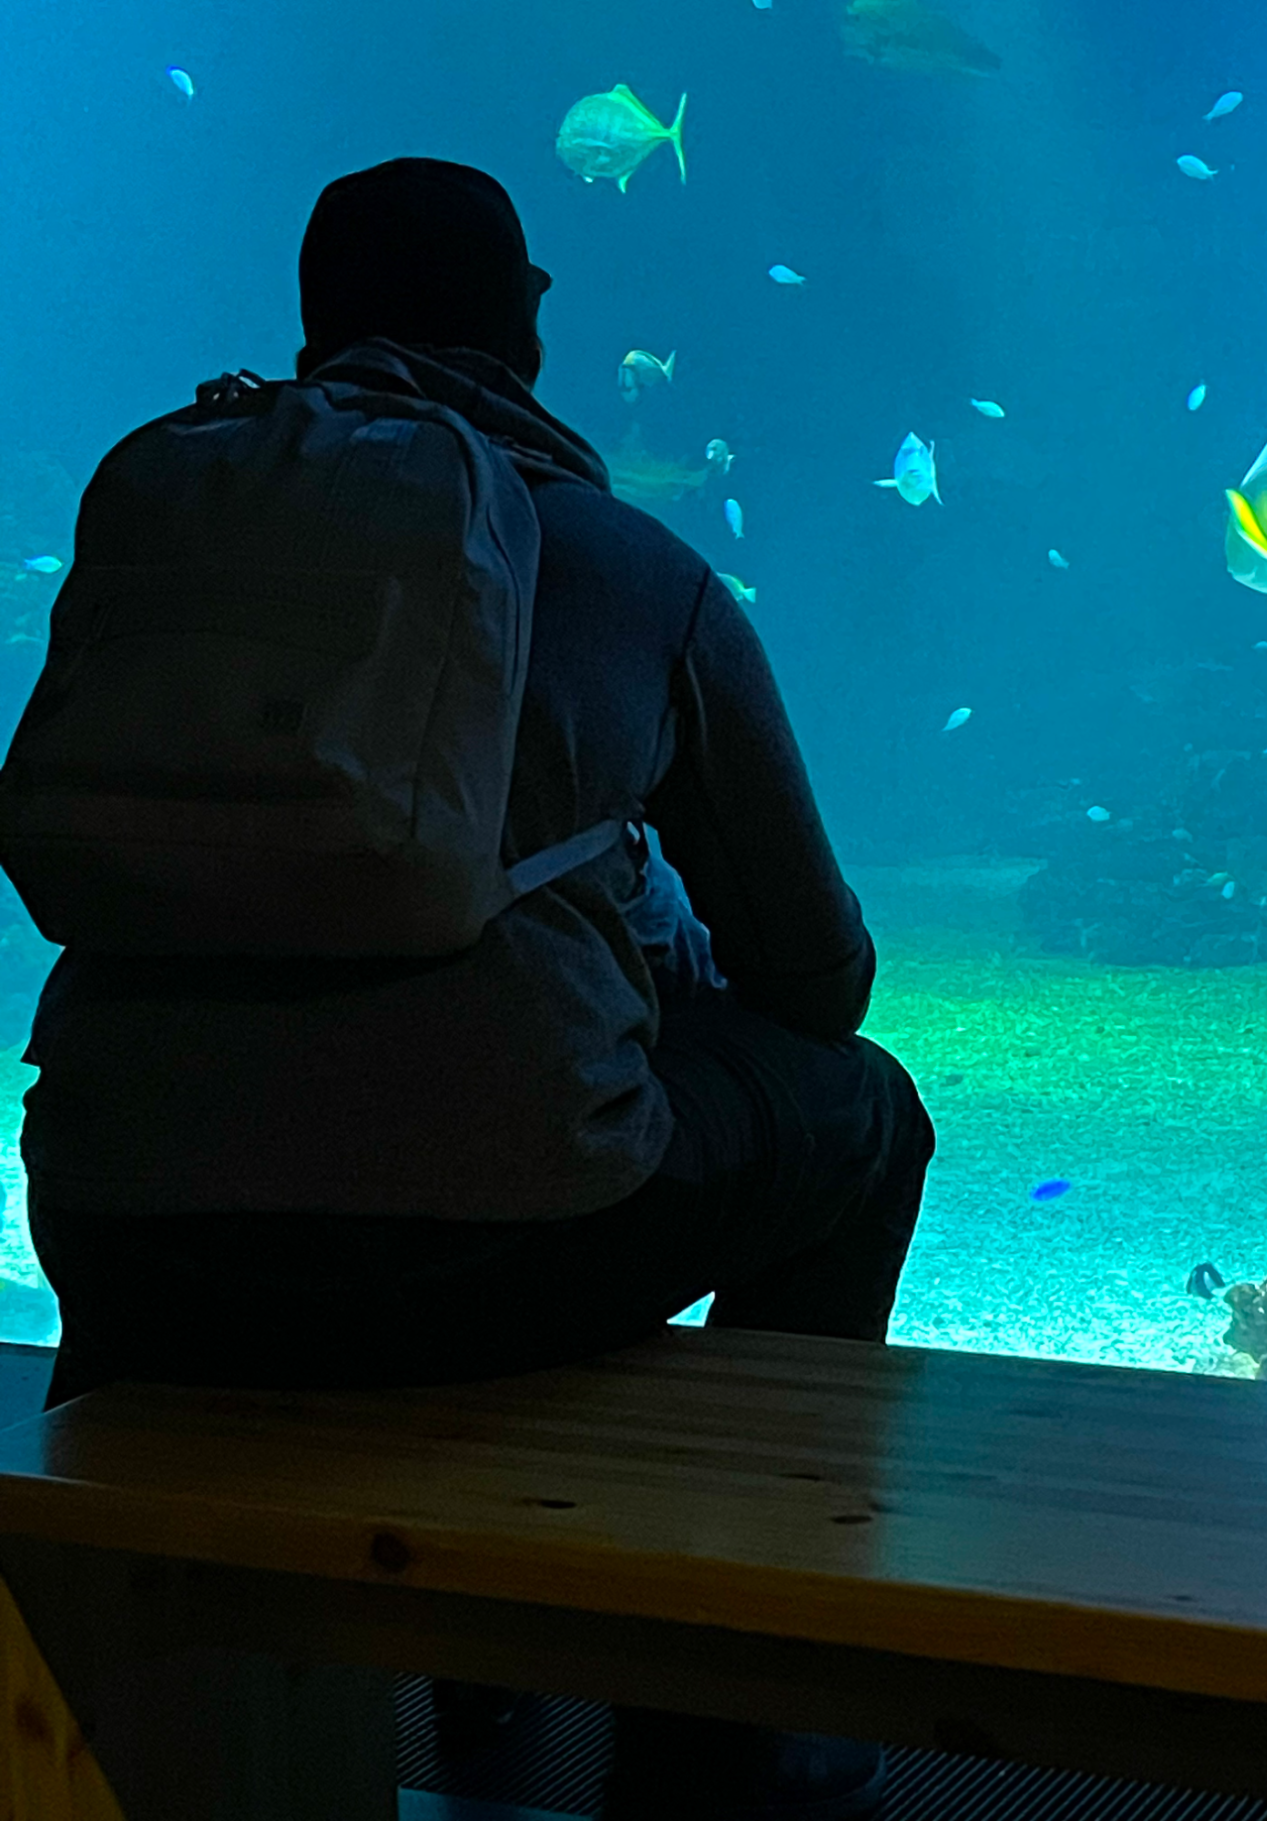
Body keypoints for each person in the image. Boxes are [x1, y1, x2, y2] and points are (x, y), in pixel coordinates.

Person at [18, 159, 935, 1820]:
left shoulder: (163, 513)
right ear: (520, 320)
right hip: (492, 1248)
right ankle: (723, 1713)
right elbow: (818, 977)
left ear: (315, 322)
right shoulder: (629, 565)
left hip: (119, 1231)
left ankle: (463, 1684)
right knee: (862, 1117)